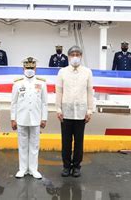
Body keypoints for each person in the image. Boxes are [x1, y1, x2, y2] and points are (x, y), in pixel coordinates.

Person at [56, 45, 94, 178]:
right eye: (73, 55)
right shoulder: (62, 72)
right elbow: (59, 91)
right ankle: (66, 166)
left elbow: (90, 92)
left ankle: (77, 166)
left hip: (81, 112)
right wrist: (58, 109)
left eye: (78, 54)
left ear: (81, 56)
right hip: (66, 112)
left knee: (79, 141)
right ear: (68, 56)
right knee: (66, 141)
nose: (75, 57)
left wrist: (90, 110)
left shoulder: (87, 72)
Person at [11, 57, 48, 179]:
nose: (30, 70)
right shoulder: (17, 83)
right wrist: (13, 118)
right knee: (22, 145)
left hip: (36, 118)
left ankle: (33, 169)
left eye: (32, 67)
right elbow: (14, 102)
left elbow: (44, 103)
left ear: (36, 68)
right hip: (21, 118)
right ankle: (22, 169)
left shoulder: (42, 83)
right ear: (23, 68)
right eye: (27, 67)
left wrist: (44, 118)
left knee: (34, 145)